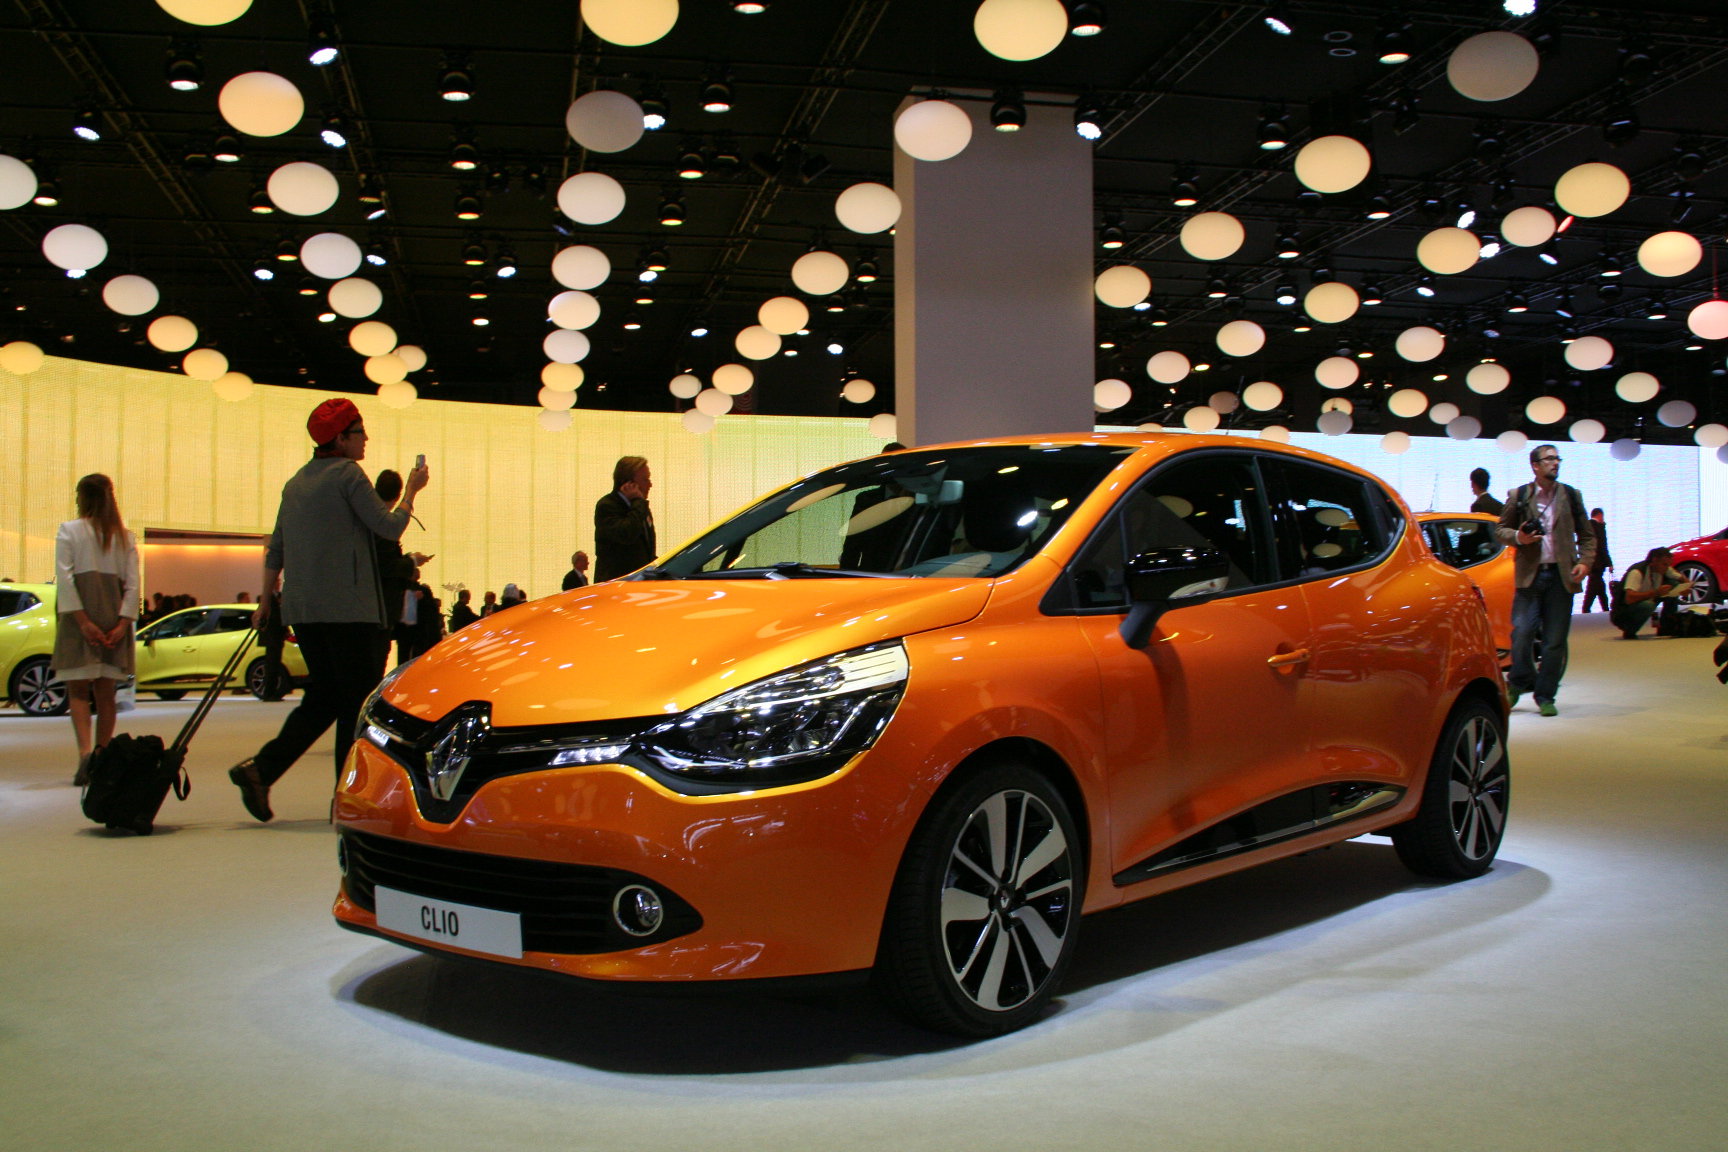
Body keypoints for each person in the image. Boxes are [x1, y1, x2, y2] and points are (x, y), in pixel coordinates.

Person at [228, 398, 427, 823]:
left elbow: (276, 548)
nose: (365, 438)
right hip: (349, 610)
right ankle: (346, 797)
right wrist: (411, 492)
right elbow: (389, 526)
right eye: (359, 431)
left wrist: (265, 600)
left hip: (304, 608)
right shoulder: (348, 475)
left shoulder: (296, 483)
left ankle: (262, 771)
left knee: (323, 697)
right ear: (339, 438)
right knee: (356, 703)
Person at [1495, 444, 1595, 717]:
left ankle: (1546, 695)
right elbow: (1501, 530)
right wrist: (1519, 537)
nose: (1555, 463)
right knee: (1522, 633)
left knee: (1554, 641)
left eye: (1557, 458)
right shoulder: (1519, 495)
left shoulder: (1571, 495)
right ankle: (1518, 682)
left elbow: (1587, 535)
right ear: (1535, 466)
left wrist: (1585, 561)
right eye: (1549, 459)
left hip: (1561, 576)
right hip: (1530, 575)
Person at [52, 474, 139, 787]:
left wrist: (83, 622)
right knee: (106, 692)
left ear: (81, 497)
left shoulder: (69, 530)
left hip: (78, 617)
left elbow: (65, 580)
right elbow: (133, 585)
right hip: (113, 616)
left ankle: (85, 753)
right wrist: (123, 624)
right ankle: (101, 755)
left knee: (77, 690)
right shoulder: (125, 537)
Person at [593, 455, 656, 581]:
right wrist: (638, 502)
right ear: (629, 484)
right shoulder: (607, 506)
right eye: (645, 480)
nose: (650, 484)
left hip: (640, 581)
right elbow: (627, 534)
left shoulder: (640, 507)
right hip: (616, 583)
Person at [1611, 547, 1692, 639]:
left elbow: (1681, 578)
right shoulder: (1637, 572)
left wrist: (1685, 588)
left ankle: (1667, 627)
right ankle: (1630, 630)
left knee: (1674, 585)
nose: (1667, 568)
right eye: (1665, 564)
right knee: (1648, 605)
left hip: (1650, 597)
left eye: (1669, 565)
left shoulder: (1664, 568)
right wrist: (1656, 592)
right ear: (1654, 560)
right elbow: (1629, 598)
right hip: (1623, 611)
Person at [1581, 507, 1614, 613]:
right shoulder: (1599, 527)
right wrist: (1609, 563)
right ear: (1600, 515)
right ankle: (1586, 611)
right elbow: (1602, 546)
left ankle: (1606, 610)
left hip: (1590, 563)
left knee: (1600, 588)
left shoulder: (1587, 526)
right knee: (1593, 589)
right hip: (1598, 564)